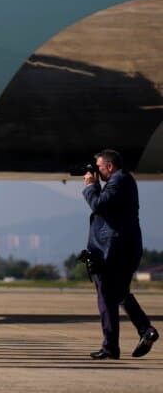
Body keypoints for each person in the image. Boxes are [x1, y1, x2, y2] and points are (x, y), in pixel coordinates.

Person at [83, 148, 158, 360]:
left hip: (114, 249)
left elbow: (98, 204)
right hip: (126, 247)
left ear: (109, 166)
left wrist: (90, 187)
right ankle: (145, 330)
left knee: (106, 296)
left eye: (98, 168)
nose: (96, 172)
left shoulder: (118, 181)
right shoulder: (123, 181)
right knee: (120, 293)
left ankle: (111, 347)